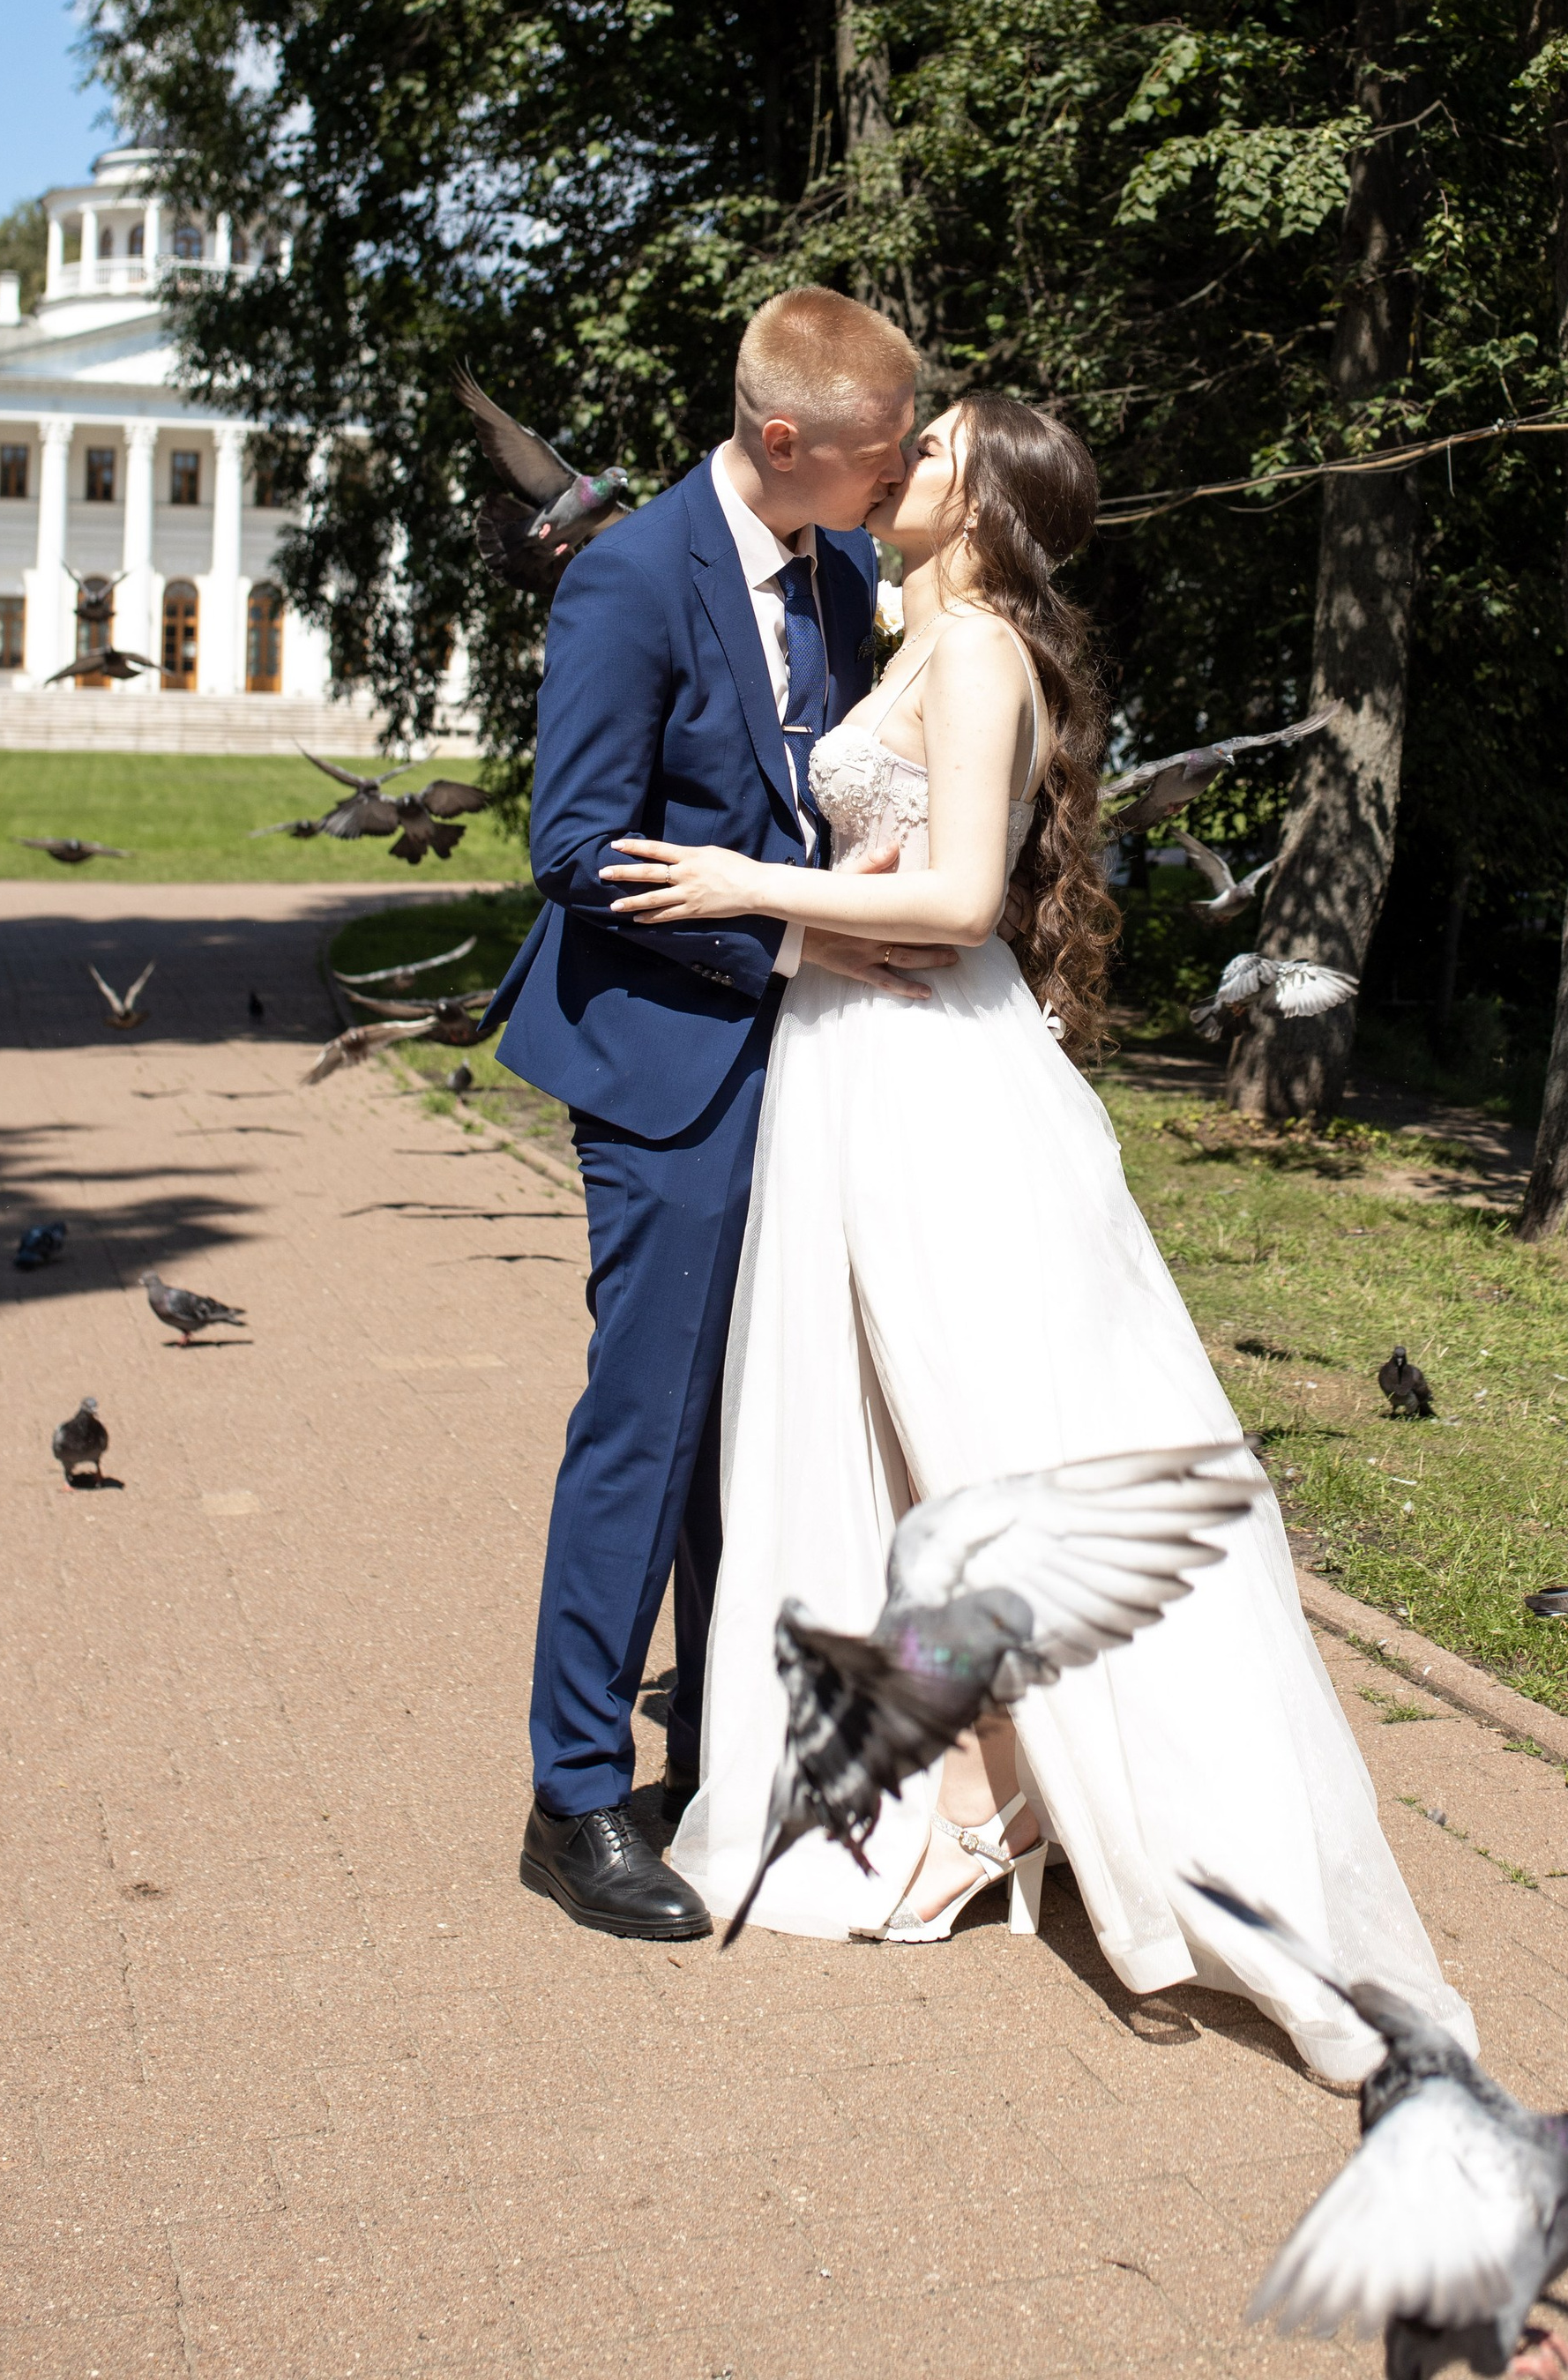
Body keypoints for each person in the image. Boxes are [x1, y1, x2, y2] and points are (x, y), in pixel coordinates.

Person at [606, 392, 1476, 2078]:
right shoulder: (909, 639)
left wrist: (740, 885)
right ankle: (943, 1779)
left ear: (987, 504)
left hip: (938, 1079)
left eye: (925, 450)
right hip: (856, 1067)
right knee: (885, 1434)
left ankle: (1117, 1802)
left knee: (1005, 1430)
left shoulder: (985, 648)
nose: (892, 463)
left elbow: (955, 902)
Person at [488, 286, 952, 1943]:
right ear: (783, 442)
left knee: (761, 1421)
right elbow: (576, 844)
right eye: (881, 454)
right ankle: (576, 1794)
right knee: (655, 1419)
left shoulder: (841, 575)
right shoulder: (627, 577)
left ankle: (716, 1743)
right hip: (666, 1064)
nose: (899, 477)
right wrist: (794, 935)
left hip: (820, 1063)